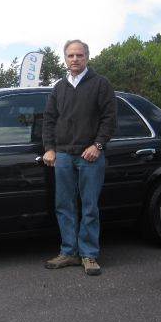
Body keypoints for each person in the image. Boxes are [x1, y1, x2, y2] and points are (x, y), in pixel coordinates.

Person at [42, 40, 116, 276]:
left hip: (90, 156)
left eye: (79, 55)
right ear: (65, 58)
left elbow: (109, 119)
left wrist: (98, 145)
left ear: (87, 57)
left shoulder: (100, 84)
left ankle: (89, 255)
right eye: (71, 55)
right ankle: (69, 252)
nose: (75, 59)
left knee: (89, 206)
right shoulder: (59, 87)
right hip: (62, 155)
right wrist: (49, 148)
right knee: (63, 206)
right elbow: (49, 120)